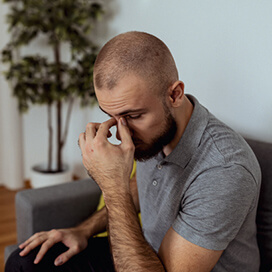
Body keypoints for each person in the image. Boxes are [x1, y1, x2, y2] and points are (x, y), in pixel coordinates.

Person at [5, 31, 261, 272]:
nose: (120, 131)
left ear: (175, 94)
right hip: (141, 252)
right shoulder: (154, 136)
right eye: (111, 116)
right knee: (24, 262)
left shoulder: (225, 169)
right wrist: (83, 231)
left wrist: (113, 186)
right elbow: (147, 188)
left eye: (133, 115)